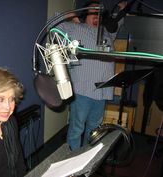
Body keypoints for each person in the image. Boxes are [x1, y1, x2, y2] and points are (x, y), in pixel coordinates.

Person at [56, 0, 127, 151]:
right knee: (76, 130)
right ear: (85, 13)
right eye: (93, 11)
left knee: (94, 130)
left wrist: (121, 9)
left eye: (99, 12)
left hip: (102, 91)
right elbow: (53, 26)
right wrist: (69, 16)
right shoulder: (75, 28)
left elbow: (117, 22)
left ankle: (86, 160)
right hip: (83, 90)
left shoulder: (107, 32)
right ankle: (72, 163)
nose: (97, 15)